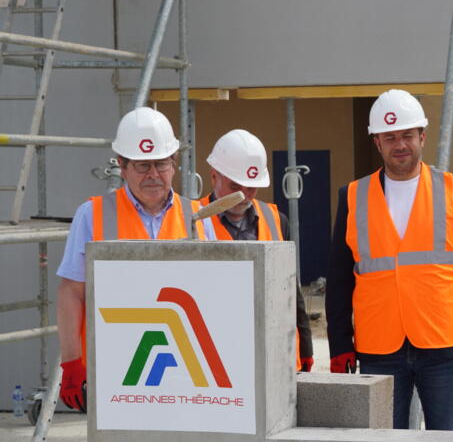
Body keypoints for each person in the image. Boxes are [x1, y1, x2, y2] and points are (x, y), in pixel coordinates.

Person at [325, 89, 453, 430]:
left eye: (407, 135)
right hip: (378, 347)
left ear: (422, 137)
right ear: (377, 142)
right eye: (390, 138)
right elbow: (339, 278)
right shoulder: (353, 196)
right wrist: (340, 344)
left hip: (443, 345)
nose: (400, 145)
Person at [56, 107, 214, 412]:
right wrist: (72, 361)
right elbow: (71, 293)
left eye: (161, 163)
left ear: (174, 165)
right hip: (115, 368)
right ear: (123, 167)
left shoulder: (198, 217)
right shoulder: (91, 215)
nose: (153, 174)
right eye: (142, 165)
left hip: (187, 366)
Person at [199, 129, 314, 372]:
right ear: (213, 177)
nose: (245, 195)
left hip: (271, 350)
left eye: (252, 187)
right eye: (235, 186)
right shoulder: (192, 220)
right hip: (214, 352)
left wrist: (305, 347)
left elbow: (291, 289)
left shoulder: (275, 219)